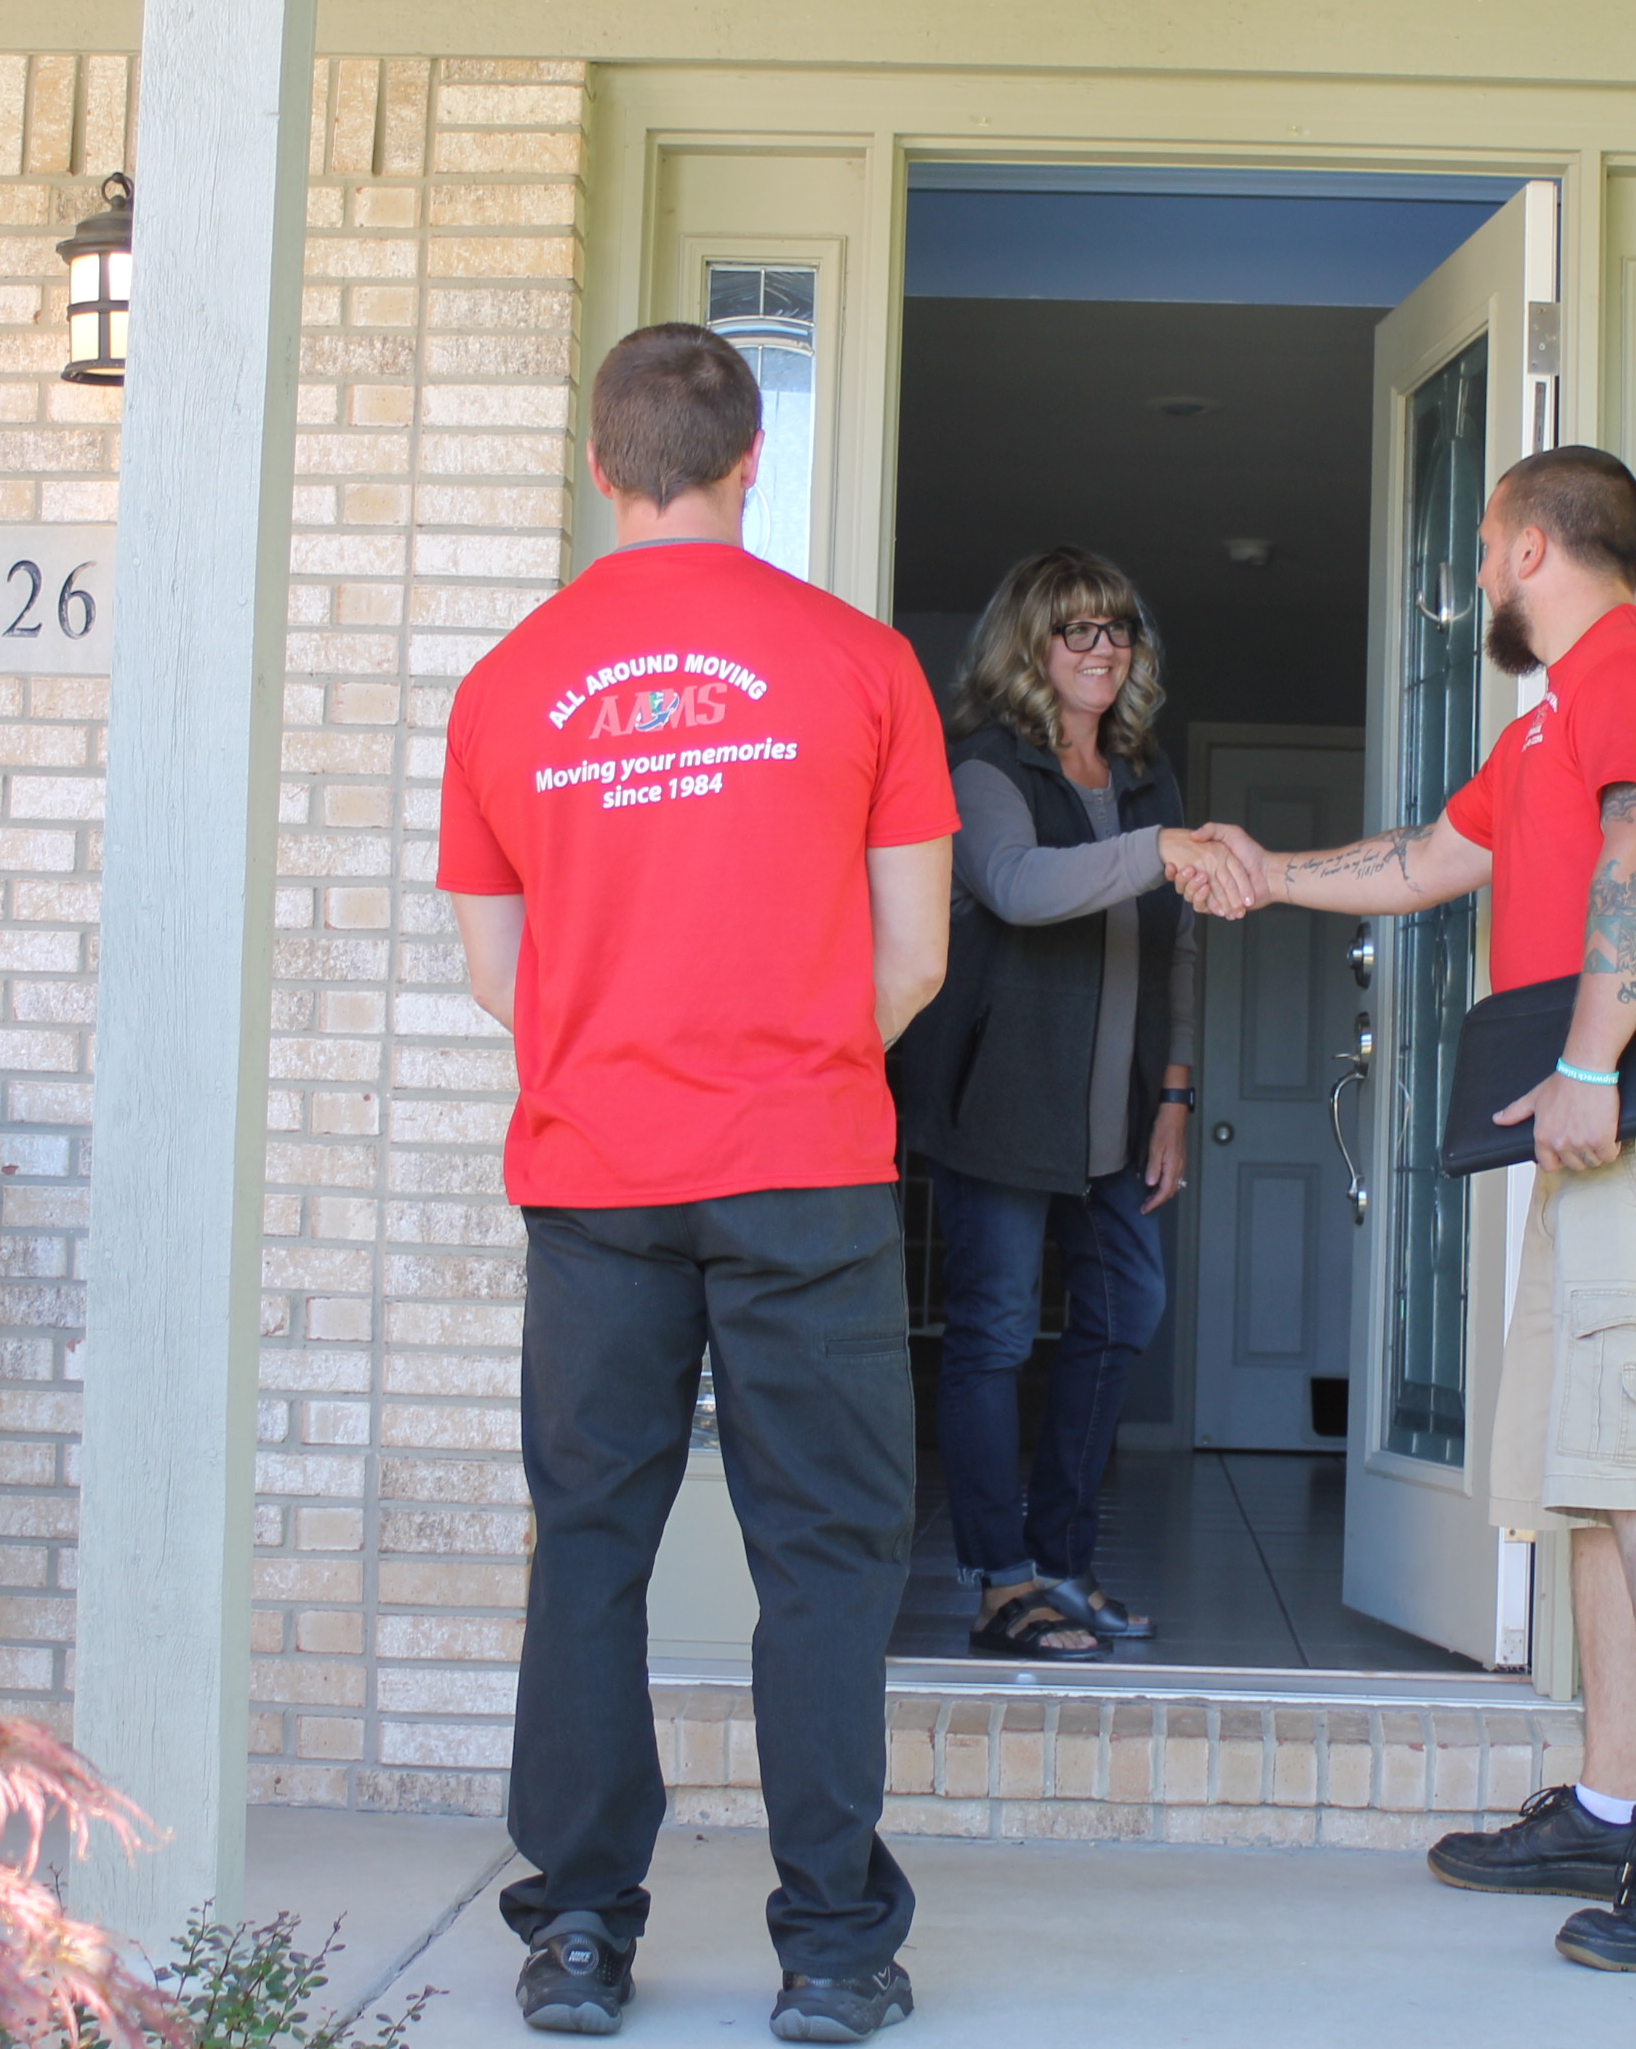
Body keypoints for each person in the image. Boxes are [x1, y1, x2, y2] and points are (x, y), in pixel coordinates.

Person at [1188, 444, 1636, 1973]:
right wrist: (1269, 872)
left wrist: (1589, 1062)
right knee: (1592, 1476)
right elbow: (1421, 864)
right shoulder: (1545, 726)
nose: (1471, 578)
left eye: (1479, 549)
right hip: (1599, 1144)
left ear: (1531, 547)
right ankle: (1612, 1800)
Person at [439, 322, 956, 2042]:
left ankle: (579, 1933)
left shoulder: (507, 686)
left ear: (601, 466)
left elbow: (496, 966)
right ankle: (831, 1950)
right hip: (806, 1174)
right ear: (751, 461)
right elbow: (914, 957)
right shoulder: (863, 663)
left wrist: (622, 1053)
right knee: (825, 1555)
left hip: (596, 1181)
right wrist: (786, 1059)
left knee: (592, 1544)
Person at [892, 549, 1248, 1661]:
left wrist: (1176, 1092)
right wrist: (1158, 850)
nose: (1103, 649)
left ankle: (1061, 1565)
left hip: (1122, 1116)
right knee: (994, 1335)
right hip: (1000, 1104)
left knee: (1124, 1313)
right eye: (1076, 629)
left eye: (1118, 629)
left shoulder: (1144, 774)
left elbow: (1176, 947)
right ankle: (1001, 1585)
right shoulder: (986, 769)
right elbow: (1016, 885)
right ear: (1030, 646)